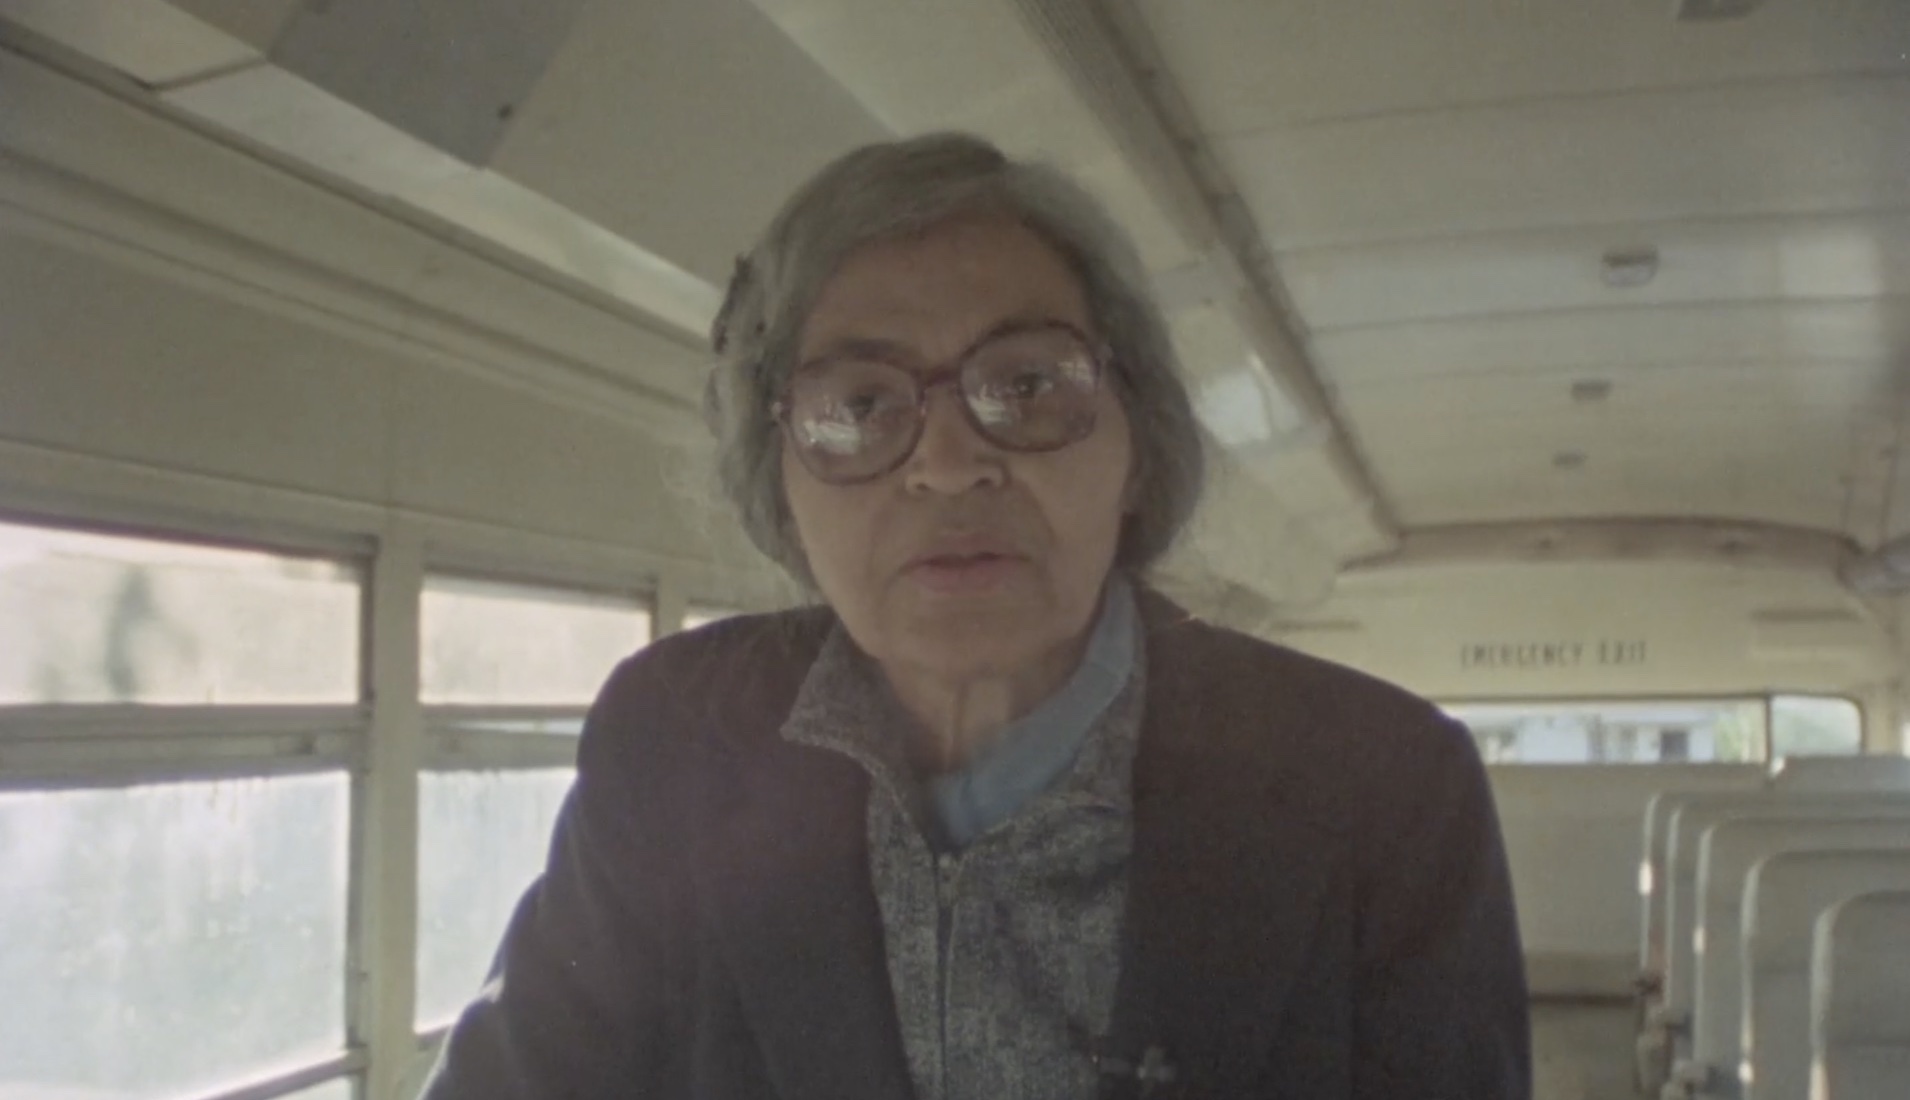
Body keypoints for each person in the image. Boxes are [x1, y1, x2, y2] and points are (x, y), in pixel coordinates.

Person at [421, 133, 1530, 1100]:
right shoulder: (676, 739)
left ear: (1136, 443)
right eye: (858, 406)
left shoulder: (1381, 786)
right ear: (780, 485)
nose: (949, 466)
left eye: (1030, 386)